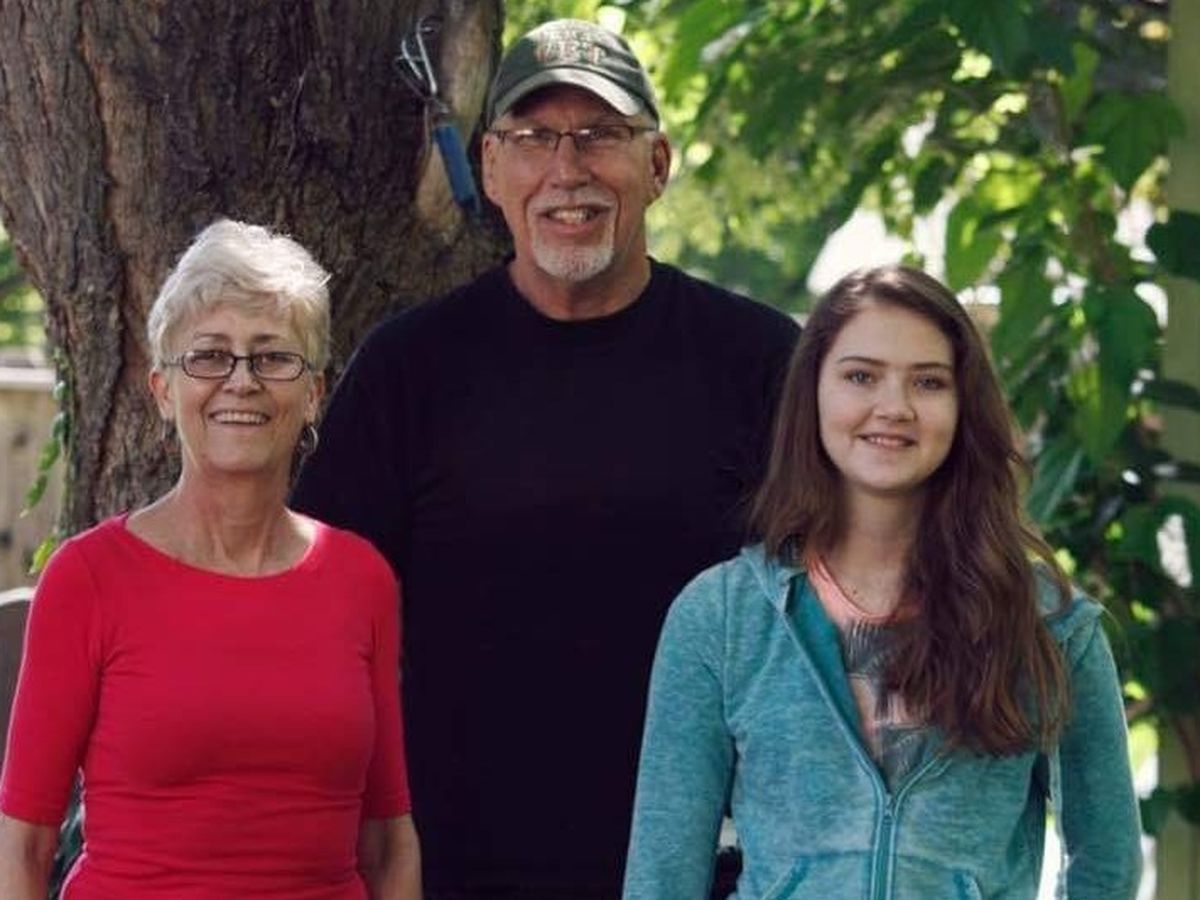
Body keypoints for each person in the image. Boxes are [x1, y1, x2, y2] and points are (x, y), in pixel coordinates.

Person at [292, 18, 799, 899]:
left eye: (600, 134)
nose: (568, 169)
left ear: (658, 165)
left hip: (704, 868)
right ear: (490, 168)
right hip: (457, 868)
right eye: (532, 138)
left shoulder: (761, 363)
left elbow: (841, 618)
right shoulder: (411, 368)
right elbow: (322, 628)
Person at [623, 265, 1143, 899]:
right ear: (813, 393)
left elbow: (1107, 865)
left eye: (928, 382)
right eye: (861, 376)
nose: (894, 408)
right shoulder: (722, 618)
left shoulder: (1049, 627)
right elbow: (662, 876)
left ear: (963, 406)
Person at [0, 220, 421, 900]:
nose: (241, 381)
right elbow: (21, 848)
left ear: (313, 393)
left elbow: (388, 843)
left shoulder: (360, 580)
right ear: (164, 391)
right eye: (209, 356)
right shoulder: (88, 579)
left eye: (273, 356)